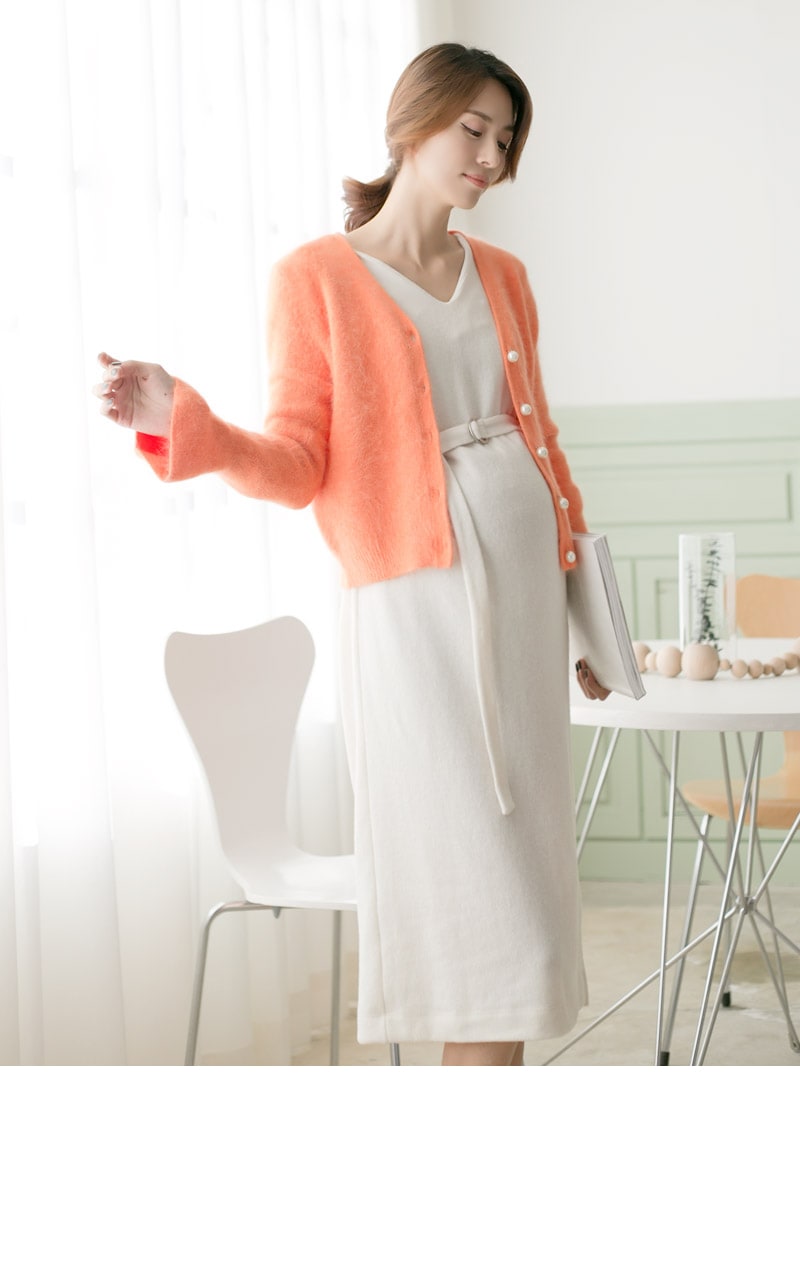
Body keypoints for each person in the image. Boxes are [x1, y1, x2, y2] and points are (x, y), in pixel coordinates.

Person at [94, 43, 608, 1067]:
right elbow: (296, 464)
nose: (490, 155)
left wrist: (585, 614)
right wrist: (182, 419)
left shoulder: (504, 277)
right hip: (411, 618)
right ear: (412, 123)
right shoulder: (314, 279)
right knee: (475, 905)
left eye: (505, 138)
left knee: (525, 911)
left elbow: (544, 445)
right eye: (473, 128)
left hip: (522, 611)